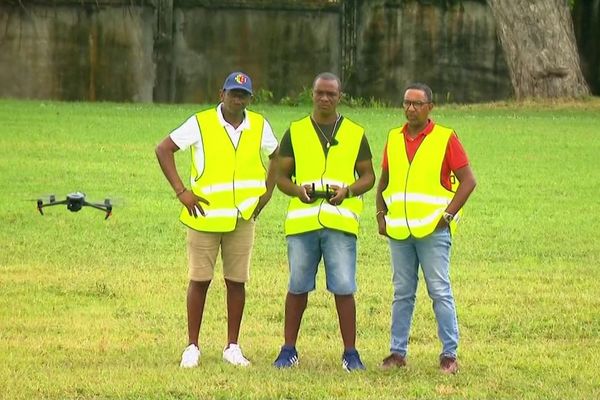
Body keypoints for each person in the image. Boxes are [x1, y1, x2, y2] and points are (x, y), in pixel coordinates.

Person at [155, 71, 279, 368]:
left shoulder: (259, 125)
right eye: (233, 92)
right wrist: (181, 191)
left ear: (251, 98)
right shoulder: (201, 123)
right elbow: (164, 149)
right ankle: (192, 346)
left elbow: (278, 156)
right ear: (220, 93)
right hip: (205, 215)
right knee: (199, 281)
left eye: (243, 94)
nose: (238, 99)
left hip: (242, 217)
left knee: (237, 282)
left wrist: (266, 193)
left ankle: (232, 346)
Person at [272, 72, 375, 371]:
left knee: (344, 287)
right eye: (320, 93)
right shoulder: (296, 130)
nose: (325, 99)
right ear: (312, 94)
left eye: (331, 94)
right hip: (303, 223)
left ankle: (351, 353)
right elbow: (281, 176)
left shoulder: (355, 132)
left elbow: (368, 176)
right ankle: (288, 349)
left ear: (339, 96)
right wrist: (296, 190)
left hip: (340, 222)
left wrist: (349, 191)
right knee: (297, 286)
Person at [375, 82, 476, 374]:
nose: (411, 108)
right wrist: (380, 214)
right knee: (402, 292)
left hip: (433, 232)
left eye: (417, 103)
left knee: (439, 291)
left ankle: (449, 354)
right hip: (399, 232)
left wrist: (447, 216)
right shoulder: (394, 138)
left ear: (430, 107)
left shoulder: (445, 138)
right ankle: (397, 352)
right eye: (407, 103)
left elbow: (468, 181)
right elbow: (384, 183)